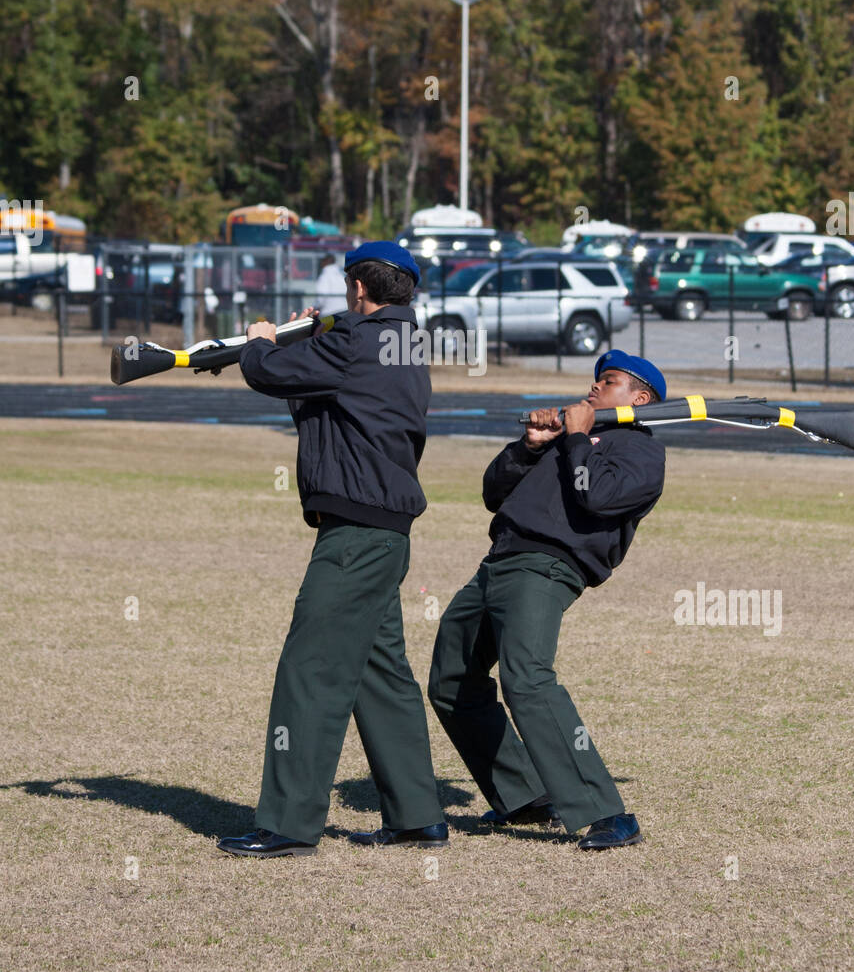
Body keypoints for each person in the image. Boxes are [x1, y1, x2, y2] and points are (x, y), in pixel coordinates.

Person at [218, 241, 447, 857]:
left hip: (355, 532)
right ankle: (417, 814)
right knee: (380, 673)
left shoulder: (355, 343)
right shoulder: (402, 343)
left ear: (357, 288)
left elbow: (269, 373)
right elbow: (326, 394)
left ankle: (289, 823)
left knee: (310, 667)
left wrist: (261, 340)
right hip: (386, 529)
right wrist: (304, 337)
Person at [427, 350, 667, 851]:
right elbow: (494, 492)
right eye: (595, 380)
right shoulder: (560, 440)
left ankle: (606, 811)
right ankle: (525, 797)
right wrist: (530, 446)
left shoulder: (642, 452)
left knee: (527, 677)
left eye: (609, 381)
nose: (594, 388)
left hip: (547, 565)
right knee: (452, 678)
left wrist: (578, 438)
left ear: (639, 398)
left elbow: (595, 495)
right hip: (499, 559)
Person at [315, 253, 348, 317]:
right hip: (344, 312)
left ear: (325, 261)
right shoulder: (341, 275)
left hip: (328, 314)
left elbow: (320, 297)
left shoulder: (325, 275)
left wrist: (315, 308)